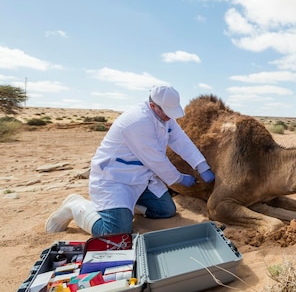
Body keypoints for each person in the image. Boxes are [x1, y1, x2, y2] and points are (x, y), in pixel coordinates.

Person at [45, 85, 215, 236]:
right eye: (166, 113)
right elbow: (156, 160)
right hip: (116, 178)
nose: (169, 117)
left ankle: (126, 208)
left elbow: (180, 141)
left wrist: (201, 165)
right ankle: (77, 206)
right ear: (153, 105)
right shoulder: (137, 122)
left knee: (166, 211)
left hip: (141, 177)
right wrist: (179, 178)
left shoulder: (163, 117)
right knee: (115, 232)